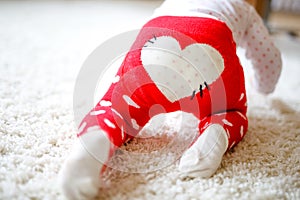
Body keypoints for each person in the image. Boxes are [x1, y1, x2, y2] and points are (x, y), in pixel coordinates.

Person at [60, 0, 282, 199]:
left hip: (155, 39)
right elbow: (269, 58)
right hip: (211, 49)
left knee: (117, 109)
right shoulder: (242, 8)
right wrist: (263, 87)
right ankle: (216, 135)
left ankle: (96, 140)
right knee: (230, 112)